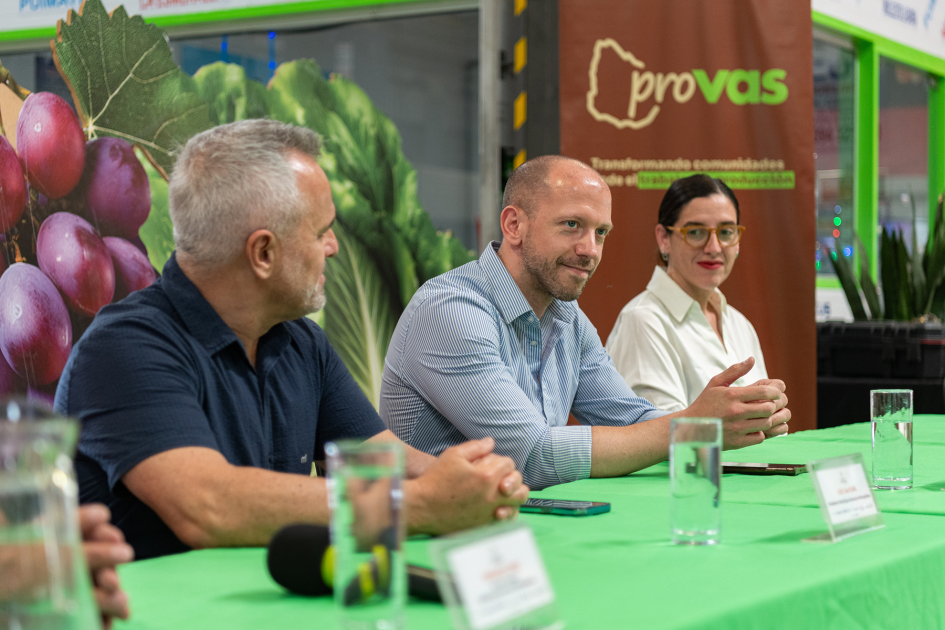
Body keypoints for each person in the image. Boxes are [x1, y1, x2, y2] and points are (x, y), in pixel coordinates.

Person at [54, 120, 527, 560]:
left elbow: (382, 457)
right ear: (263, 252)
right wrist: (421, 504)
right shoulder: (124, 347)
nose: (334, 246)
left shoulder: (300, 341)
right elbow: (209, 507)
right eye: (322, 231)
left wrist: (472, 480)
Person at [380, 156, 789, 490]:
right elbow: (532, 457)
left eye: (601, 233)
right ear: (514, 225)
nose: (589, 250)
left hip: (516, 527)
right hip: (435, 545)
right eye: (572, 225)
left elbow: (631, 420)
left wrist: (733, 415)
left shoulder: (565, 315)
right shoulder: (451, 309)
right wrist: (695, 426)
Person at [606, 175, 766, 412]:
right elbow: (660, 436)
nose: (713, 247)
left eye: (726, 232)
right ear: (664, 239)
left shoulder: (739, 324)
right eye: (695, 232)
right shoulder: (642, 321)